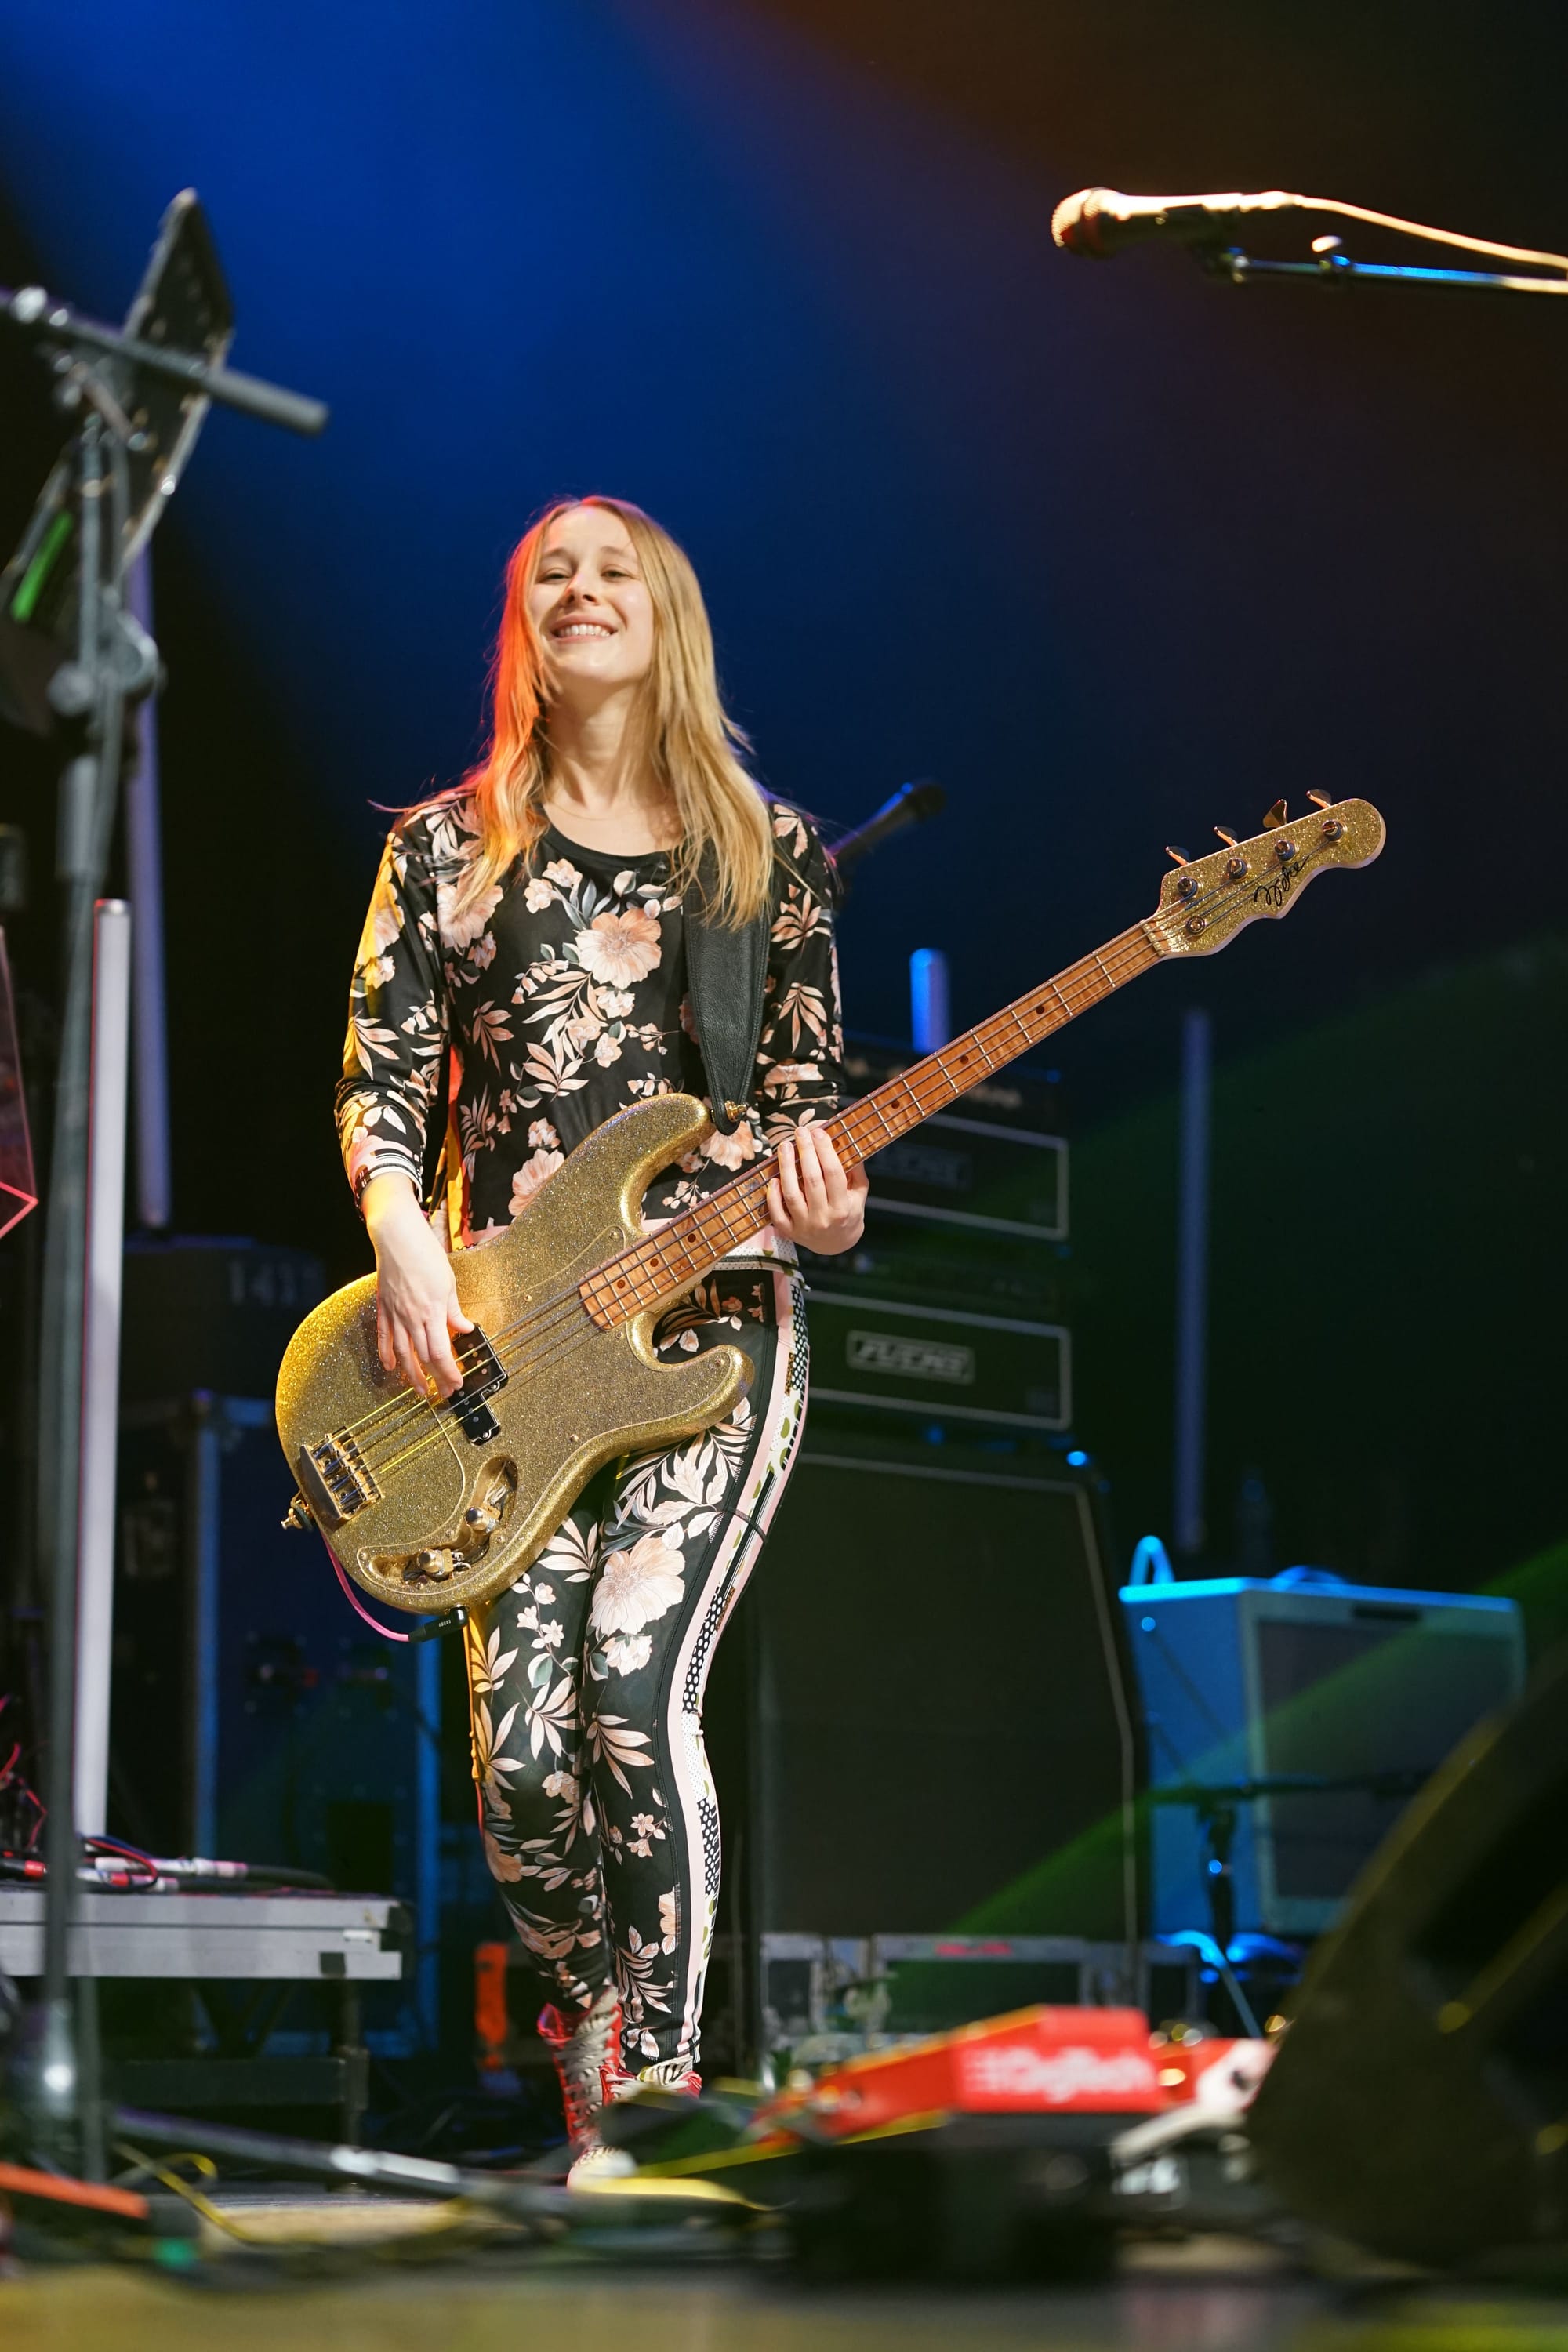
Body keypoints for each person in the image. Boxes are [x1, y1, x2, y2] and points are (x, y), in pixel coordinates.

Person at [336, 495, 867, 2178]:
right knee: (523, 1761)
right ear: (522, 630)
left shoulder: (765, 856)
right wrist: (410, 1249)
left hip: (711, 1340)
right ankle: (594, 2012)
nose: (579, 588)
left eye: (612, 569)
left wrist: (827, 1207)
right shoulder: (443, 849)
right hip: (512, 1366)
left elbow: (807, 1118)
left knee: (636, 1690)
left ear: (667, 618)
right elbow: (382, 1086)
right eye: (547, 572)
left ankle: (659, 2088)